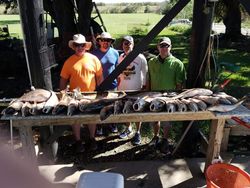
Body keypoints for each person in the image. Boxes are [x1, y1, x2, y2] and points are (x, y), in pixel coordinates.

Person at [60, 34, 103, 153]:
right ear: (73, 46)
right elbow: (63, 79)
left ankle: (92, 138)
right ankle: (78, 140)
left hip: (92, 95)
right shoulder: (69, 62)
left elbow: (99, 76)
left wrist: (101, 91)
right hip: (76, 95)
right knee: (76, 119)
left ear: (86, 46)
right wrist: (62, 94)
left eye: (82, 45)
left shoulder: (93, 59)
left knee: (92, 118)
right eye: (77, 45)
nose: (80, 47)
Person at [148, 37, 186, 154]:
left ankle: (165, 139)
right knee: (154, 119)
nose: (164, 48)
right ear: (158, 47)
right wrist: (148, 94)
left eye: (167, 46)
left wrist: (176, 99)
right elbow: (149, 80)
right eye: (162, 46)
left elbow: (179, 84)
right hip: (154, 95)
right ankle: (155, 136)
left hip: (169, 97)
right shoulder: (151, 62)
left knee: (166, 120)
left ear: (170, 47)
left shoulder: (177, 63)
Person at [117, 35, 148, 145]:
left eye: (129, 43)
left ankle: (138, 132)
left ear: (133, 45)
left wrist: (144, 87)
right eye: (125, 43)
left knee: (137, 110)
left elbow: (145, 73)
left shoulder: (140, 58)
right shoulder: (120, 57)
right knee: (125, 110)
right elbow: (119, 73)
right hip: (123, 89)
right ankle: (128, 128)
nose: (127, 45)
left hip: (136, 89)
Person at [92, 32, 119, 135]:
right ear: (99, 41)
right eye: (103, 40)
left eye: (108, 40)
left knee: (112, 106)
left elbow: (117, 68)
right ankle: (99, 126)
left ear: (111, 42)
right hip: (99, 86)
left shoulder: (115, 53)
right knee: (99, 106)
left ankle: (112, 124)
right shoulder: (94, 54)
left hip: (113, 85)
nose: (105, 42)